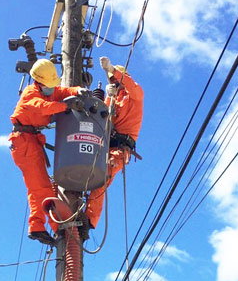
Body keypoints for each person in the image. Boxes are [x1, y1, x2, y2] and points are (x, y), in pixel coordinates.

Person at [10, 59, 83, 246]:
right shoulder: (30, 95)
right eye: (49, 86)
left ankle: (36, 226)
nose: (52, 89)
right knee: (43, 189)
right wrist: (67, 106)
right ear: (39, 82)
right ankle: (59, 227)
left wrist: (77, 91)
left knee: (36, 189)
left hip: (30, 141)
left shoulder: (47, 90)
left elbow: (61, 92)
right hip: (24, 142)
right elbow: (44, 107)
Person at [84, 56, 144, 231]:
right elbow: (103, 119)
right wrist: (108, 97)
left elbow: (132, 87)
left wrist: (111, 69)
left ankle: (89, 221)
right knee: (87, 174)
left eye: (116, 80)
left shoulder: (135, 95)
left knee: (101, 179)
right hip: (104, 148)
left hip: (119, 150)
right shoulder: (114, 99)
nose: (114, 83)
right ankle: (77, 208)